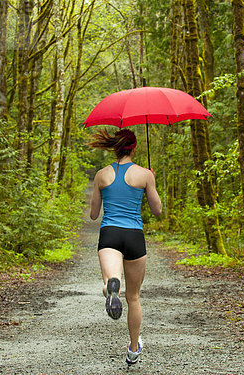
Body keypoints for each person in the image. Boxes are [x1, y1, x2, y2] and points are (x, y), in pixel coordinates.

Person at [88, 128, 162, 365]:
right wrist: (151, 179)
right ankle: (132, 349)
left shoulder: (101, 175)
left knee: (112, 279)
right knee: (134, 297)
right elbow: (157, 210)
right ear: (134, 147)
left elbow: (92, 215)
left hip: (110, 234)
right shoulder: (144, 175)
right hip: (134, 236)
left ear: (115, 147)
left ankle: (111, 288)